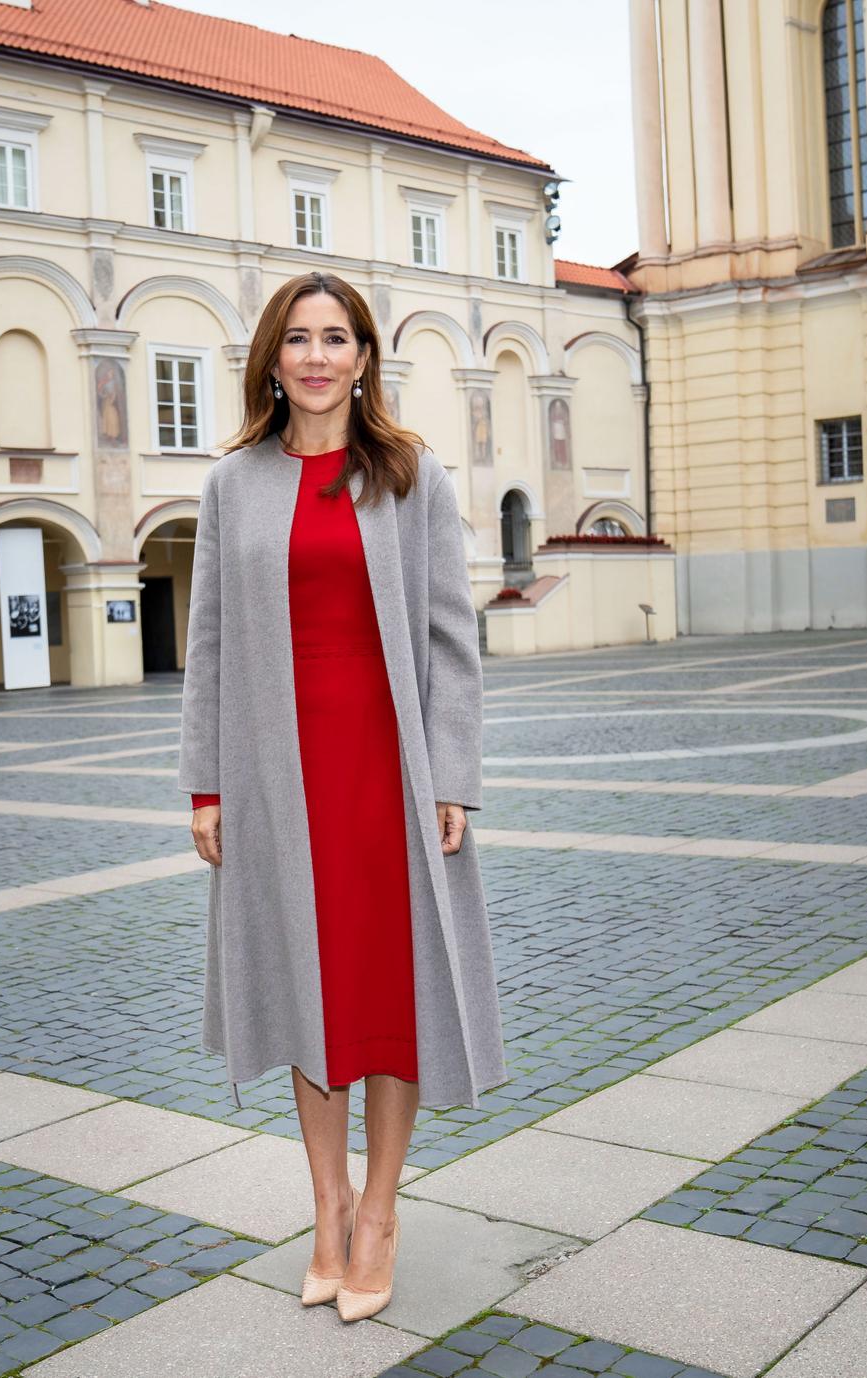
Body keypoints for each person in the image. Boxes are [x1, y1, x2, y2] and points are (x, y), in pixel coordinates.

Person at [178, 271, 507, 1325]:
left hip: (387, 774)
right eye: (299, 339)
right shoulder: (233, 484)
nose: (317, 357)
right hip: (279, 773)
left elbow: (455, 638)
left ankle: (379, 1212)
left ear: (365, 358)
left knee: (388, 993)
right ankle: (322, 1207)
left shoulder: (412, 476)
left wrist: (453, 772)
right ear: (272, 360)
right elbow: (211, 642)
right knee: (305, 988)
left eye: (338, 338)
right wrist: (206, 783)